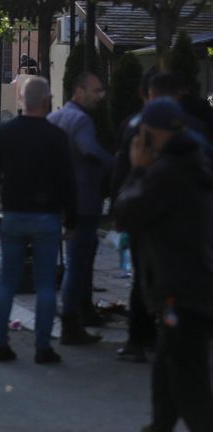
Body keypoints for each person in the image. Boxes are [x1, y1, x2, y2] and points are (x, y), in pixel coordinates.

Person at [114, 97, 213, 432]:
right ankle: (160, 424)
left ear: (152, 135)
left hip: (180, 288)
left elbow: (126, 214)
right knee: (168, 366)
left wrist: (136, 169)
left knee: (188, 377)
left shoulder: (166, 173)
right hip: (188, 282)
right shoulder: (193, 160)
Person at [0, 77, 76, 364]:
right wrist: (70, 220)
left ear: (21, 100)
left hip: (12, 216)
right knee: (46, 285)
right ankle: (42, 347)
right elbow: (68, 182)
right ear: (47, 100)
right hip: (47, 218)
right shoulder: (57, 137)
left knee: (6, 282)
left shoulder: (4, 133)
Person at [47, 71, 114, 344]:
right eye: (96, 90)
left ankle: (83, 311)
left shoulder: (55, 118)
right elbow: (90, 151)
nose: (101, 96)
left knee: (77, 259)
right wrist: (117, 162)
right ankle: (72, 320)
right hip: (84, 200)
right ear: (78, 91)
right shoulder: (82, 120)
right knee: (79, 261)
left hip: (59, 199)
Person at [110, 71, 159, 363]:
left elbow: (121, 171)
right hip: (168, 215)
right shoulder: (189, 127)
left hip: (143, 212)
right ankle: (152, 333)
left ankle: (138, 337)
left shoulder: (134, 126)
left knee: (143, 277)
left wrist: (118, 210)